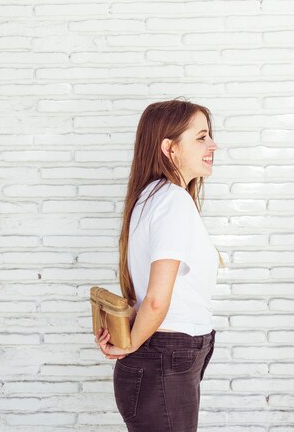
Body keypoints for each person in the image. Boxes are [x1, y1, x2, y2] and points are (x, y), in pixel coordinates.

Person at [95, 99, 219, 432]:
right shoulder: (172, 201)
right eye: (201, 137)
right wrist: (131, 343)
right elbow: (155, 299)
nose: (213, 145)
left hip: (165, 356)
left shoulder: (155, 196)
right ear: (169, 148)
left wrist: (134, 339)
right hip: (165, 355)